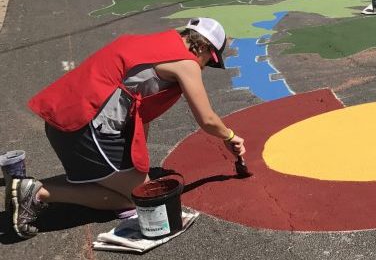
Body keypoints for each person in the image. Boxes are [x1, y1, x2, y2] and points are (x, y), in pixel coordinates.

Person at [6, 19, 245, 240]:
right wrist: (230, 136)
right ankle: (40, 192)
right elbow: (208, 119)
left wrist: (137, 163)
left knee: (128, 182)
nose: (204, 67)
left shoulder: (151, 43)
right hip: (86, 127)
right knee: (139, 199)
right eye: (210, 61)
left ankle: (32, 188)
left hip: (67, 114)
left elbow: (140, 111)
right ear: (203, 48)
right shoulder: (185, 62)